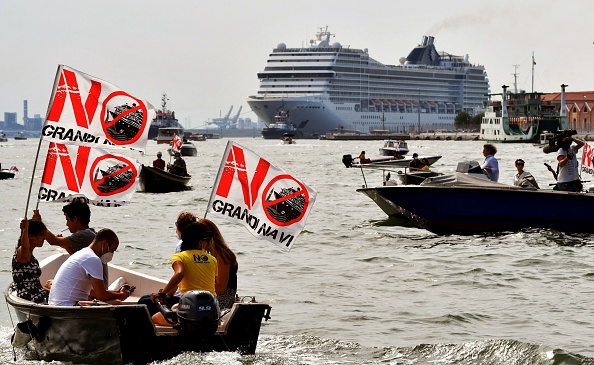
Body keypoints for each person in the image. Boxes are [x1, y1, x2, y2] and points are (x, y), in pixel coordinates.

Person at [150, 222, 218, 326]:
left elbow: (180, 273)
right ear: (200, 242)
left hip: (191, 312)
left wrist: (162, 294)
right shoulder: (213, 259)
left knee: (154, 318)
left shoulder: (179, 257)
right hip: (212, 311)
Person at [33, 199, 107, 287]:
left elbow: (53, 241)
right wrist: (66, 246)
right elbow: (78, 260)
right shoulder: (90, 233)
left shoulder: (83, 235)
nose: (67, 224)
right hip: (97, 286)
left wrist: (39, 223)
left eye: (67, 220)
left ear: (75, 219)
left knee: (49, 283)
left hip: (95, 289)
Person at [48, 229, 131, 306]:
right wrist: (121, 295)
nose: (112, 254)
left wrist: (117, 292)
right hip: (68, 307)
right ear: (104, 244)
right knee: (117, 303)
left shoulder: (84, 253)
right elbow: (101, 295)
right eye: (112, 250)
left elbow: (93, 292)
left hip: (56, 305)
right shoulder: (93, 259)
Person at [137, 211, 197, 316]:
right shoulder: (205, 253)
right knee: (146, 299)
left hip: (183, 298)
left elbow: (179, 275)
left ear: (178, 228)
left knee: (144, 302)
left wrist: (163, 294)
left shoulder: (181, 246)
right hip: (195, 297)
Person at [199, 218, 238, 310]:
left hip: (222, 300)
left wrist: (197, 282)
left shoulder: (221, 255)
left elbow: (221, 288)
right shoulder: (208, 255)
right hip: (212, 296)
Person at [11, 218, 48, 303]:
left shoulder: (30, 256)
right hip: (31, 299)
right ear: (31, 236)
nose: (44, 238)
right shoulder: (22, 253)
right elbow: (25, 246)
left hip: (39, 295)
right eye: (42, 235)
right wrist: (25, 230)